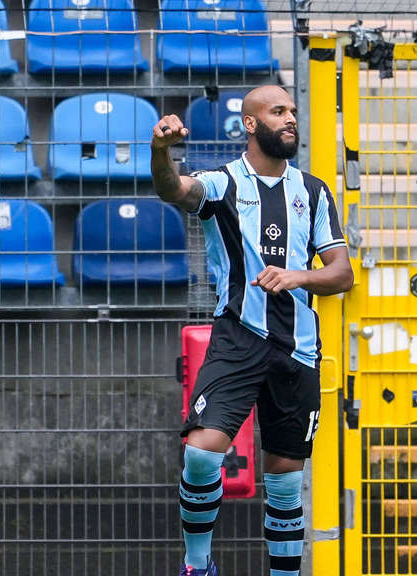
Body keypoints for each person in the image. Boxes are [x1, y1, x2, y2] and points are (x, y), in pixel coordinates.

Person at [151, 85, 354, 576]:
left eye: (292, 112)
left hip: (298, 350)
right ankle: (198, 566)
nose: (290, 119)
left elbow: (342, 273)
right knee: (201, 453)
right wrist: (160, 152)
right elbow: (174, 191)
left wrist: (298, 275)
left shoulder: (313, 190)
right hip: (237, 338)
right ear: (249, 123)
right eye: (278, 111)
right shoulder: (223, 183)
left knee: (285, 482)